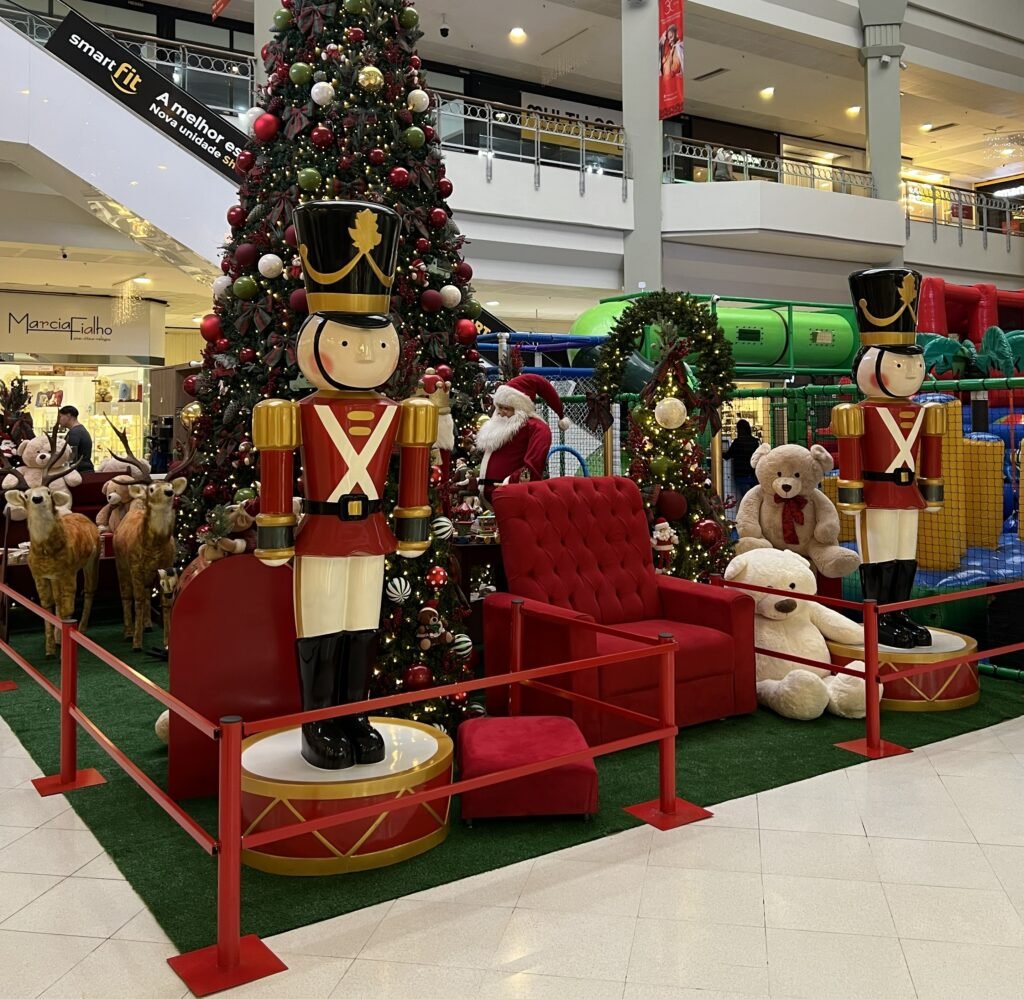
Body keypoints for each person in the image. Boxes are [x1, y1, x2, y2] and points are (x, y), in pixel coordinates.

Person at [475, 374, 570, 505]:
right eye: (499, 407)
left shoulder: (535, 427)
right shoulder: (501, 426)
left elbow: (533, 464)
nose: (500, 413)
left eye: (506, 408)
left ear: (520, 409)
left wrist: (510, 482)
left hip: (512, 495)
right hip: (495, 497)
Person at [724, 419, 760, 505]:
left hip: (741, 476)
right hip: (753, 474)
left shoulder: (737, 442)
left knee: (746, 500)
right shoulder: (755, 442)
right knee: (755, 498)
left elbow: (727, 456)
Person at [57, 405, 94, 472]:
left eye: (60, 417)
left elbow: (70, 455)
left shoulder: (75, 433)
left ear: (68, 416)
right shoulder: (80, 430)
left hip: (80, 472)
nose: (59, 420)